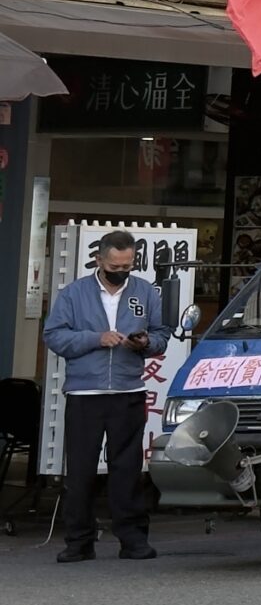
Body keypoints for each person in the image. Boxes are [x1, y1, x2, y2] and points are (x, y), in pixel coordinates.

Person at [42, 231, 168, 562]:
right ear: (99, 260)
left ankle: (133, 539)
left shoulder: (145, 291)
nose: (122, 271)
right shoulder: (74, 293)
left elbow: (161, 335)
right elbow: (54, 336)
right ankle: (79, 541)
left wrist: (145, 343)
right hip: (86, 392)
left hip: (129, 389)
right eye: (115, 265)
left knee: (127, 469)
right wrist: (96, 339)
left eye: (128, 265)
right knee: (81, 470)